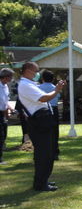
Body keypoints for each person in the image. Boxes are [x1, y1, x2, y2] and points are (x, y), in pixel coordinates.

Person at [18, 62, 65, 191]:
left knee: (48, 153)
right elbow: (43, 98)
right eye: (36, 71)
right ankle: (40, 183)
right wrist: (57, 90)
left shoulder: (30, 84)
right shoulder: (25, 85)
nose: (37, 73)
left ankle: (44, 180)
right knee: (43, 154)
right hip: (39, 121)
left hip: (43, 119)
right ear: (28, 70)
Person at [38, 70, 60, 160]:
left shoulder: (38, 87)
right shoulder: (55, 88)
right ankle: (55, 152)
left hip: (42, 110)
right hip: (54, 110)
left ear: (42, 78)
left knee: (42, 132)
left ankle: (43, 153)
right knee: (54, 132)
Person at [0, 68, 15, 164]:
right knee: (0, 135)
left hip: (2, 114)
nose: (12, 79)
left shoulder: (5, 87)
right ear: (6, 77)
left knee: (3, 135)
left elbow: (5, 101)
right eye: (11, 77)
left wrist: (10, 108)